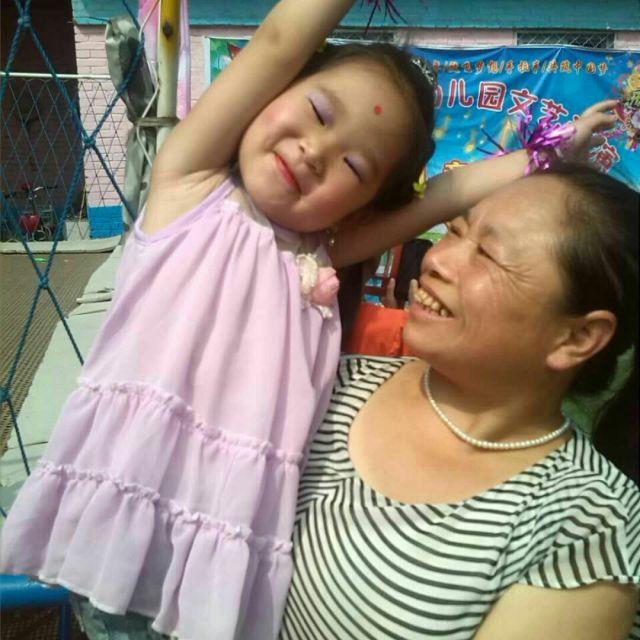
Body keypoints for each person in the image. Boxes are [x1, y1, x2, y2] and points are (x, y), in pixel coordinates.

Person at [0, 0, 617, 637]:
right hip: (121, 529)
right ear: (273, 91)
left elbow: (440, 199)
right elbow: (279, 40)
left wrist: (546, 156)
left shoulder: (318, 257)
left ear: (360, 209)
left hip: (217, 556)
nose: (317, 151)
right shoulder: (188, 185)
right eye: (319, 112)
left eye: (354, 167)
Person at [279, 163, 640, 640]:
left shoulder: (588, 519)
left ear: (577, 337)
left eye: (487, 254)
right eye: (454, 230)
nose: (437, 260)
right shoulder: (332, 381)